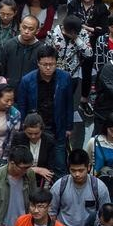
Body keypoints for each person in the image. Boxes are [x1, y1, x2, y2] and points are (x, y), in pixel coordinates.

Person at [15, 44, 75, 175]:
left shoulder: (65, 78)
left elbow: (69, 104)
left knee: (59, 164)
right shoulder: (27, 80)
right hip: (34, 127)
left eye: (52, 64)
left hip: (57, 127)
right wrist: (23, 127)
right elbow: (22, 106)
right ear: (38, 63)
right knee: (32, 161)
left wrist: (69, 127)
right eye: (44, 64)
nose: (48, 67)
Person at [50, 149, 110, 226]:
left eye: (81, 170)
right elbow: (51, 213)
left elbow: (105, 215)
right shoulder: (59, 186)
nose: (77, 174)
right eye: (73, 170)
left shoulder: (99, 187)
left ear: (89, 167)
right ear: (68, 168)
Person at [0, 145, 37, 226]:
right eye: (23, 168)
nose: (26, 170)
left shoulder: (30, 173)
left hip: (24, 224)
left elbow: (34, 196)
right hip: (1, 224)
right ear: (12, 163)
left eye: (28, 167)